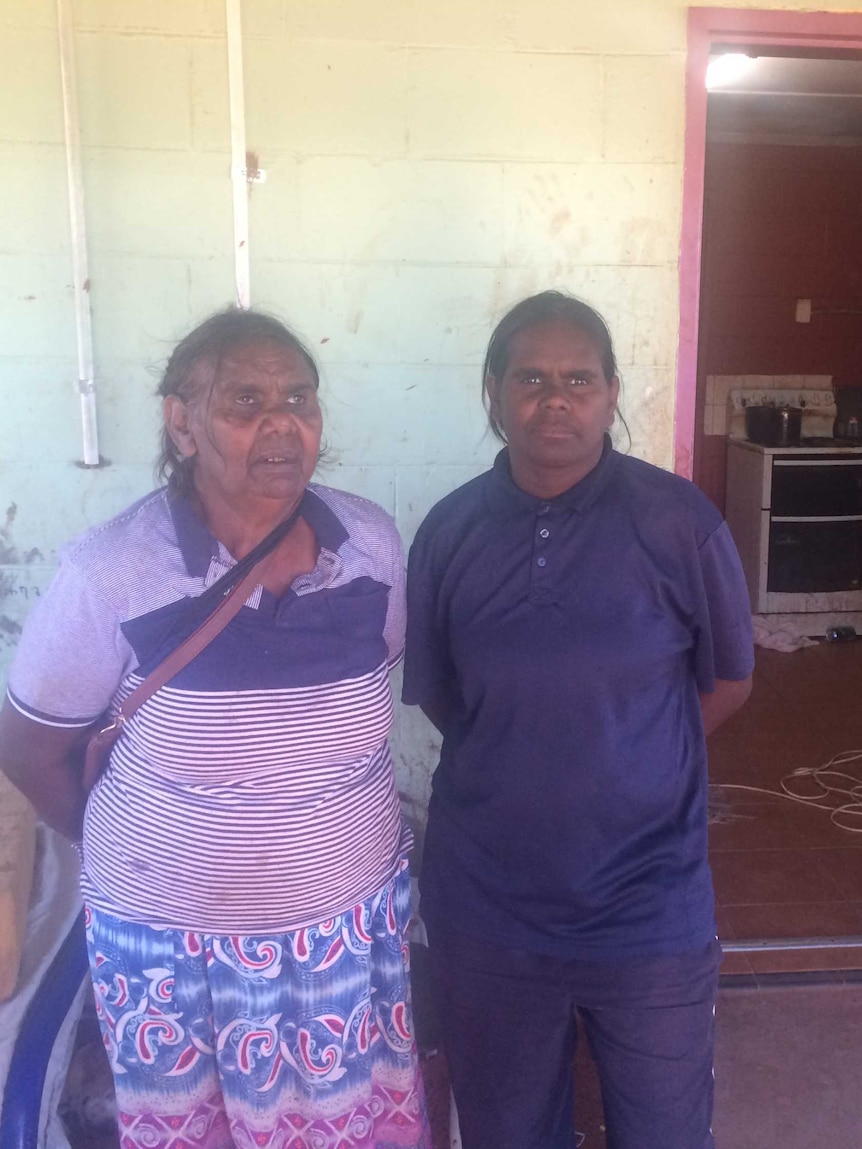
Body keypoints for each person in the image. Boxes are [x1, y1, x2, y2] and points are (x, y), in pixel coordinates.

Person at [0, 309, 429, 1149]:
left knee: (342, 1124)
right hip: (171, 950)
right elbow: (29, 745)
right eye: (245, 399)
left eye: (299, 398)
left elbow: (381, 663)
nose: (281, 422)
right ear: (181, 422)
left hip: (342, 935)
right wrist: (150, 852)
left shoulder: (369, 544)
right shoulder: (111, 569)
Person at [402, 291, 753, 1149]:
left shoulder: (679, 522)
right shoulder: (449, 533)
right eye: (530, 377)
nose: (554, 398)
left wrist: (627, 755)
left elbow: (730, 680)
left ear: (610, 391)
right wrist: (546, 745)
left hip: (649, 902)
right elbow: (444, 695)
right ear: (492, 391)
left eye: (578, 379)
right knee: (507, 1132)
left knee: (666, 1131)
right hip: (488, 907)